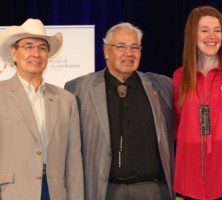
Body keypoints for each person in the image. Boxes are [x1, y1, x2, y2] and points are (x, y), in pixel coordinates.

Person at [64, 22, 175, 200]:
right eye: (121, 46)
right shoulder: (77, 89)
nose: (129, 53)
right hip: (104, 191)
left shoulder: (164, 86)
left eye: (134, 47)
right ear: (106, 51)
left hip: (153, 190)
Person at [0, 19, 84, 200]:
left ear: (48, 55)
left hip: (54, 192)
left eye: (42, 48)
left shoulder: (66, 100)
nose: (36, 53)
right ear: (14, 53)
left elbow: (74, 162)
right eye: (28, 46)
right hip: (12, 192)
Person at [173, 6, 222, 199]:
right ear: (192, 34)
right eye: (204, 30)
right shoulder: (179, 77)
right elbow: (178, 122)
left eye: (217, 30)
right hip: (191, 182)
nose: (212, 36)